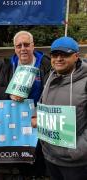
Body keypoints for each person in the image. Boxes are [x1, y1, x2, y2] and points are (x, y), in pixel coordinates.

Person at [0, 31, 51, 178]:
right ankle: (24, 173)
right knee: (21, 147)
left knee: (40, 149)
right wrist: (9, 95)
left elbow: (54, 89)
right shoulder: (9, 65)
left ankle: (39, 175)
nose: (23, 49)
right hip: (17, 116)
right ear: (15, 48)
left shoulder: (46, 63)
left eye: (26, 44)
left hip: (40, 116)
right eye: (19, 46)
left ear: (33, 46)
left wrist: (40, 112)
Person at [36, 36, 87, 180]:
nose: (58, 58)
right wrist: (37, 116)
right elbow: (43, 104)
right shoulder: (51, 76)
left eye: (64, 54)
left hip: (75, 163)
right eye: (55, 55)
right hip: (50, 156)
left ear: (76, 56)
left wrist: (77, 151)